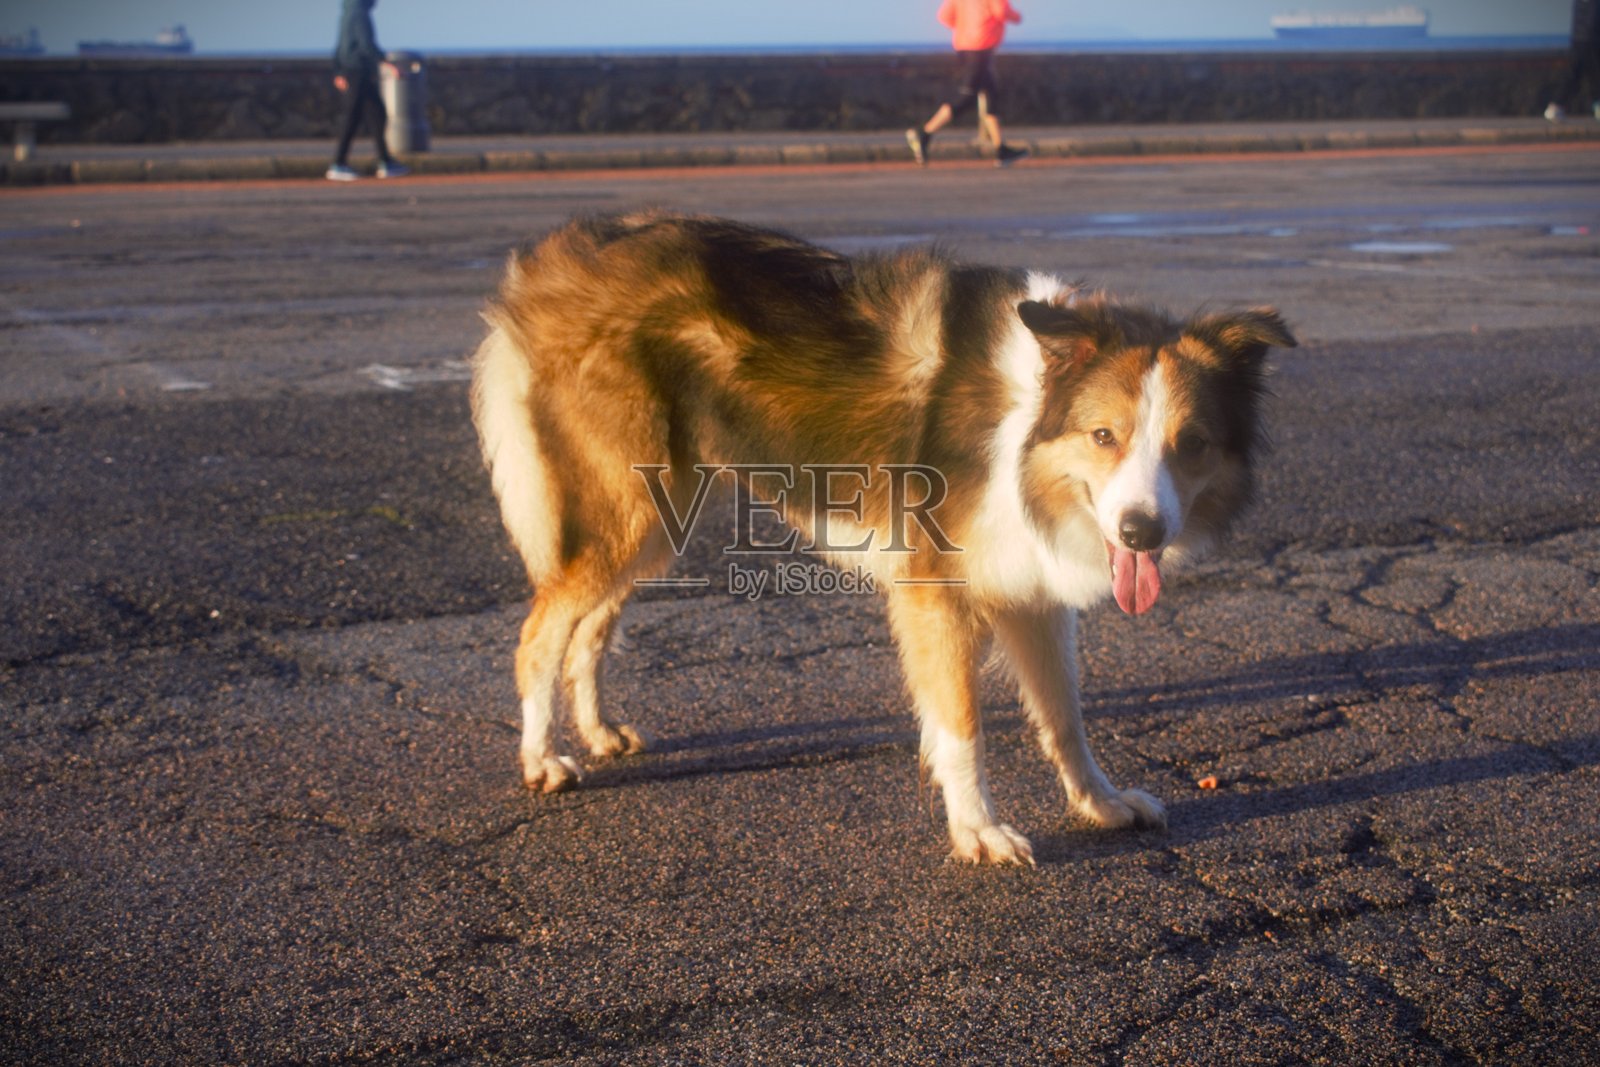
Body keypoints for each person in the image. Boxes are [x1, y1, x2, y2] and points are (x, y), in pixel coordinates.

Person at [907, 0, 1030, 168]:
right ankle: (925, 133)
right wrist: (1016, 17)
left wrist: (964, 27)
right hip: (980, 47)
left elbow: (944, 16)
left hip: (964, 46)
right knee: (966, 97)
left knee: (991, 94)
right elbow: (1001, 11)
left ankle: (1000, 149)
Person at [327, 0, 409, 181]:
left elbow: (340, 46)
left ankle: (385, 161)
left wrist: (338, 71)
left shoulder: (347, 14)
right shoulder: (360, 14)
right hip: (359, 72)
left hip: (351, 71)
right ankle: (339, 164)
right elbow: (366, 45)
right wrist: (389, 64)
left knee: (375, 116)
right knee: (352, 119)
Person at [1545, 0, 1600, 122]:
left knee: (1582, 73)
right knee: (1581, 73)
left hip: (1580, 37)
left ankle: (1556, 105)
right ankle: (1556, 106)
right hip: (1590, 38)